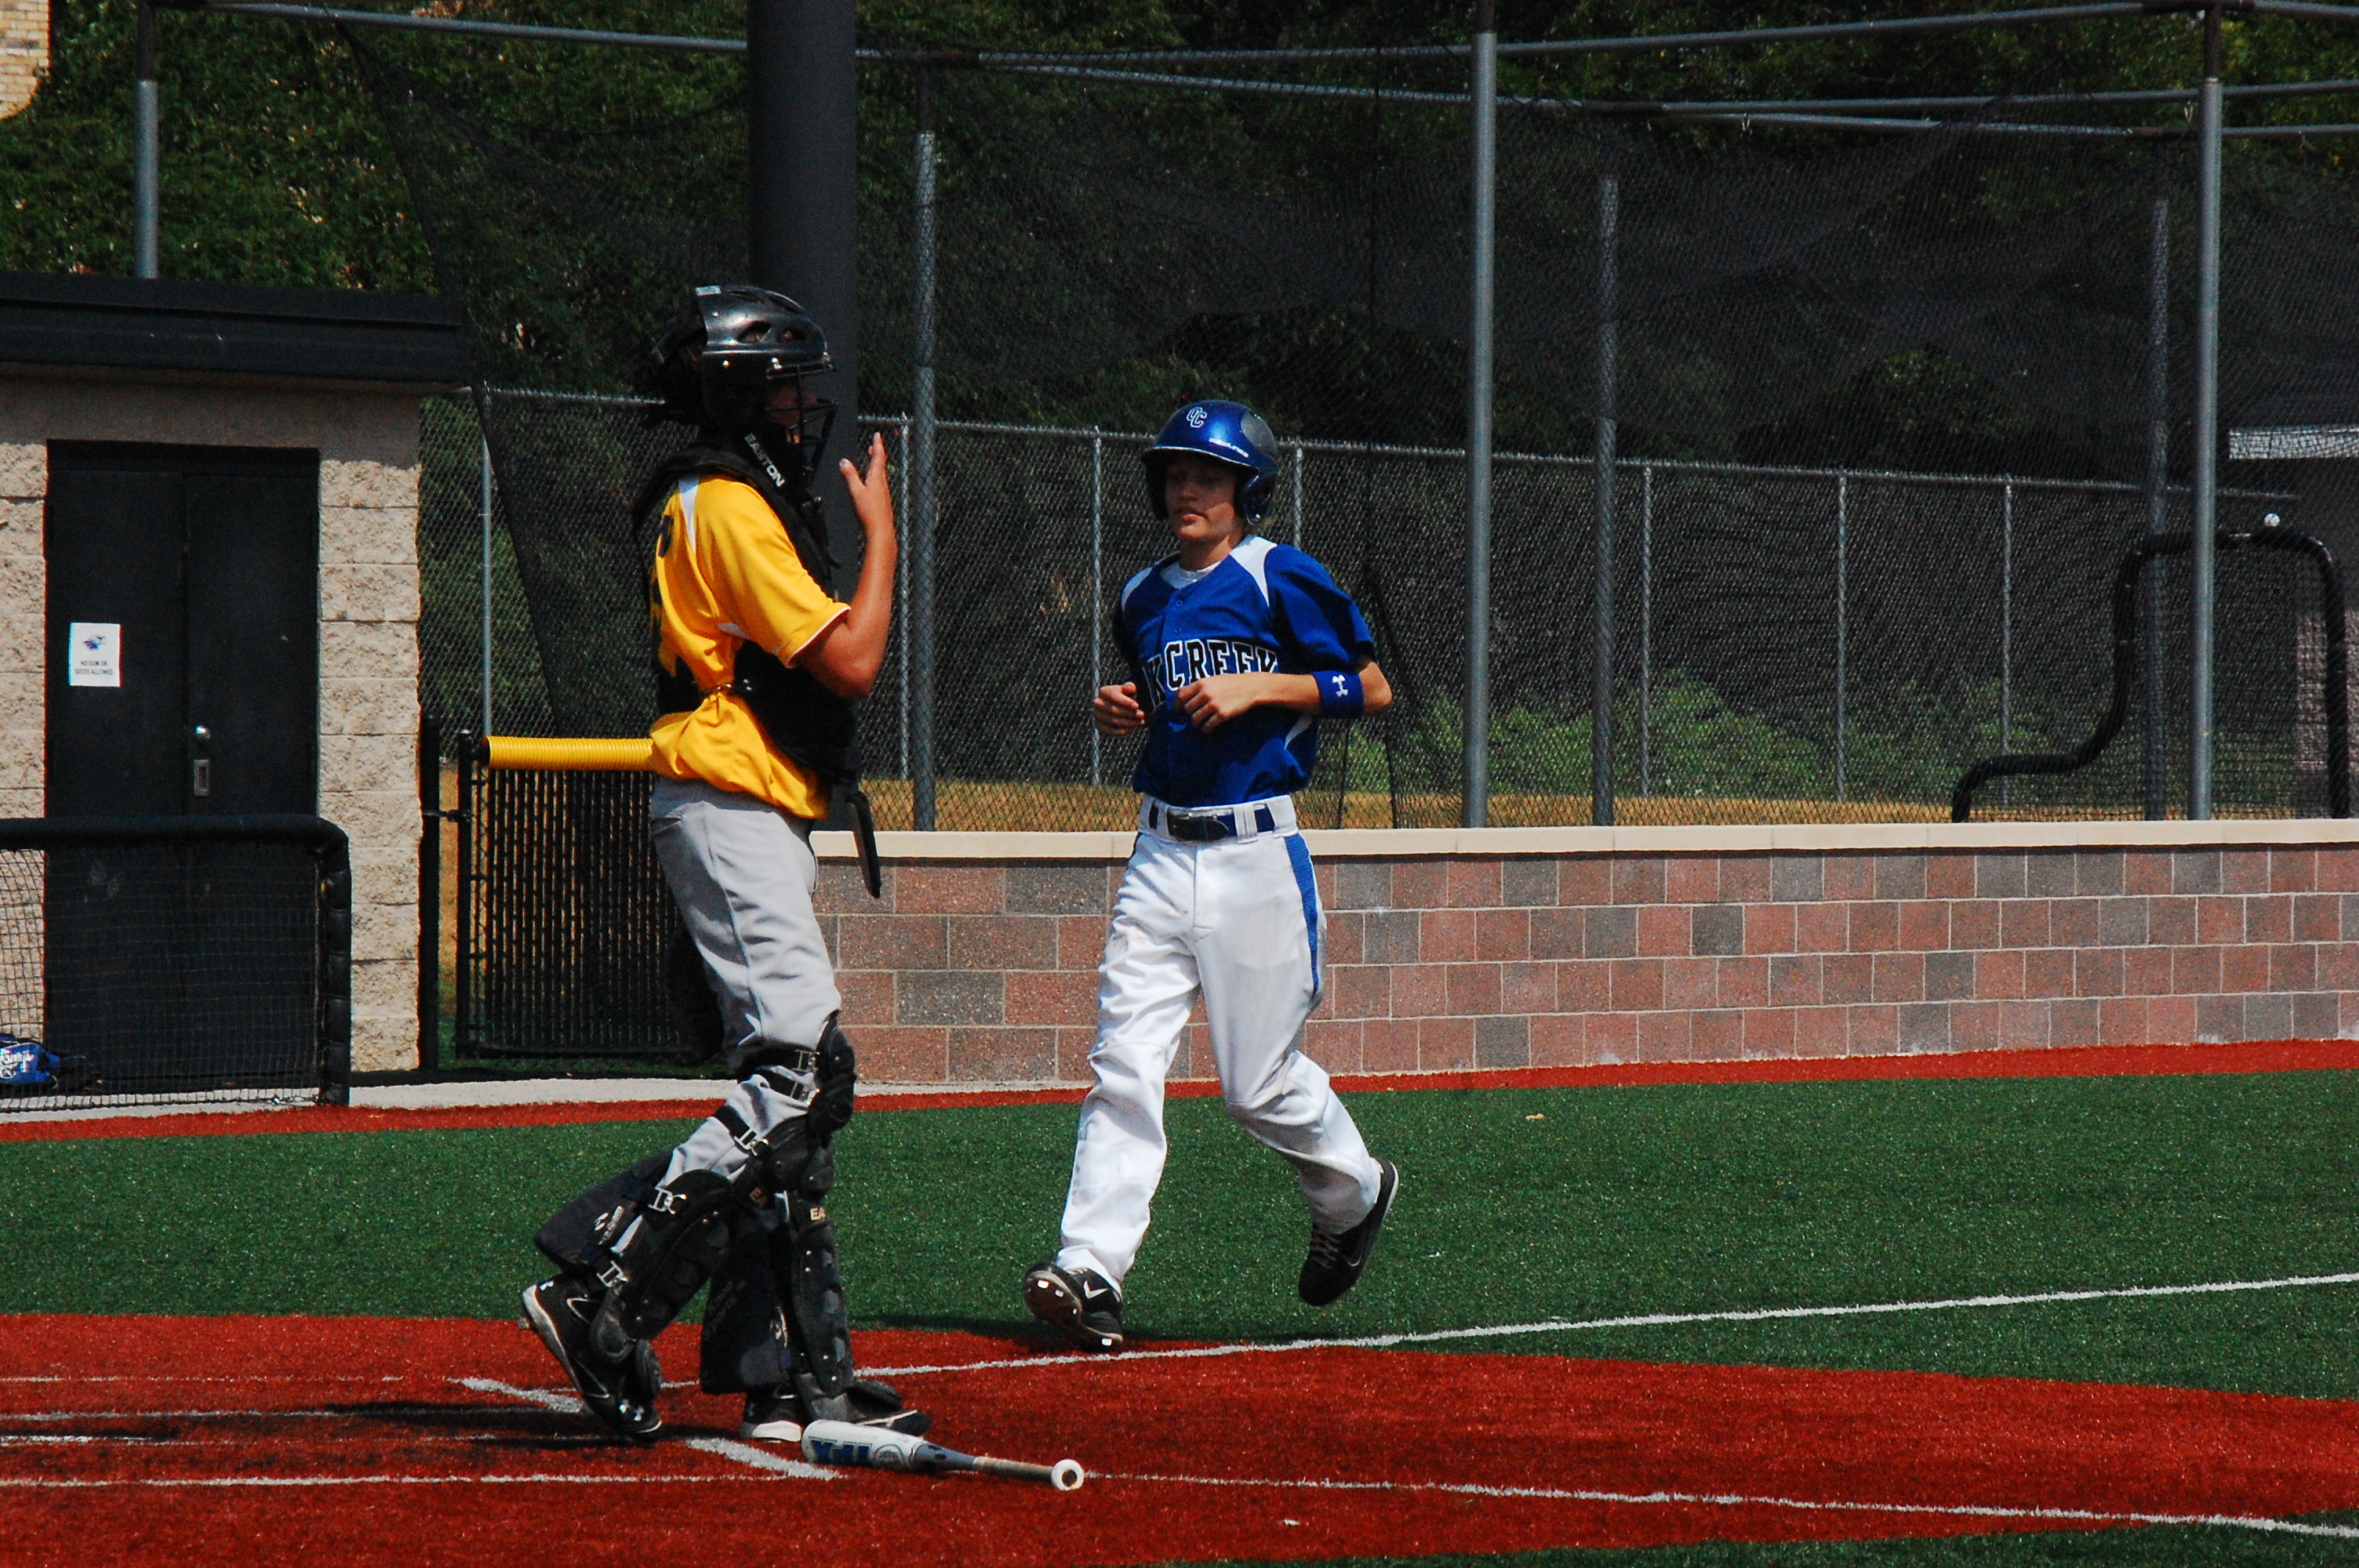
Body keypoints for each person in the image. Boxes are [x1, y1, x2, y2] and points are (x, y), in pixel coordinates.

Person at [521, 285, 923, 1445]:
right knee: (798, 1078)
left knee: (798, 1086)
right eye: (785, 386)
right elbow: (850, 659)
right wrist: (884, 539)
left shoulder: (709, 492)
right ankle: (605, 1287)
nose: (801, 408)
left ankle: (784, 1364)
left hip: (746, 803)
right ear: (740, 391)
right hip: (728, 800)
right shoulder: (725, 502)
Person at [1024, 399, 1401, 1353]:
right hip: (1158, 851)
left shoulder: (1279, 574)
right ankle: (1090, 1267)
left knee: (1255, 1086)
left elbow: (1371, 686)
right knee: (1122, 1064)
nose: (1186, 489)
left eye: (1208, 475)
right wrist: (1121, 709)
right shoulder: (1140, 594)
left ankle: (1354, 1189)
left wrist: (1262, 684)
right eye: (1176, 473)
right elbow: (1161, 701)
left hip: (1253, 852)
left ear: (1246, 490)